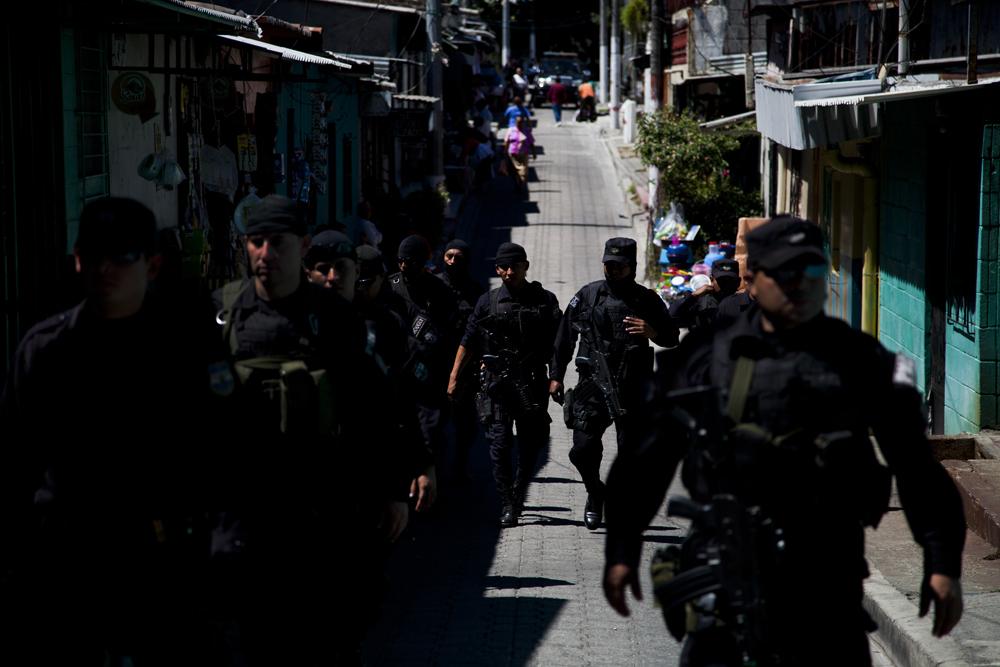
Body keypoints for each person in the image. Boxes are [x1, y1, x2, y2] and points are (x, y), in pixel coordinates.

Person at [603, 216, 966, 666]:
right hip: (726, 575)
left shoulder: (861, 359)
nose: (800, 285)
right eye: (786, 273)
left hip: (827, 574)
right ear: (751, 279)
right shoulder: (707, 357)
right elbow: (646, 457)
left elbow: (915, 466)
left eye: (812, 273)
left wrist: (942, 560)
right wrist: (622, 547)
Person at [0, 197, 229, 665]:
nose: (105, 269)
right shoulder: (46, 351)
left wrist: (226, 544)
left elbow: (228, 445)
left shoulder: (186, 344)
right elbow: (12, 464)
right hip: (70, 565)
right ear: (78, 259)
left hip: (165, 566)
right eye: (92, 255)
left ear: (153, 263)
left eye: (122, 257)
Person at [211, 194, 413, 665]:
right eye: (256, 243)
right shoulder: (223, 315)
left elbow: (375, 408)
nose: (266, 254)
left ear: (300, 246)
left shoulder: (333, 317)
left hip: (320, 509)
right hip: (244, 512)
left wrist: (392, 488)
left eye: (277, 243)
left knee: (330, 636)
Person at [550, 238, 679, 530]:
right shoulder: (588, 295)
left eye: (619, 266)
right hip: (593, 384)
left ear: (632, 267)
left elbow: (672, 337)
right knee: (581, 449)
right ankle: (596, 493)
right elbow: (564, 338)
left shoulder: (647, 299)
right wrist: (556, 375)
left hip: (634, 386)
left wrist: (652, 330)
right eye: (609, 264)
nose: (613, 270)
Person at [447, 242, 561, 527]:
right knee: (498, 445)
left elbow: (560, 343)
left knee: (529, 444)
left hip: (532, 384)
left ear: (526, 266)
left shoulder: (545, 301)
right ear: (497, 269)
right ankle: (508, 504)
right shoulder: (488, 301)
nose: (509, 272)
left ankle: (519, 492)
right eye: (503, 268)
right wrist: (454, 377)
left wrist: (556, 376)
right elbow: (469, 340)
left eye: (514, 266)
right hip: (497, 384)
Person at [387, 234, 461, 462]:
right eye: (401, 261)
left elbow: (451, 332)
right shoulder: (391, 287)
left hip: (430, 372)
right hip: (397, 371)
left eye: (409, 261)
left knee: (432, 432)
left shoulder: (439, 290)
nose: (403, 266)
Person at [436, 239, 487, 479]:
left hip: (466, 367)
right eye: (449, 256)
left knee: (465, 423)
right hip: (436, 362)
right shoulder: (434, 285)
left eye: (459, 257)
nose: (453, 261)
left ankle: (460, 463)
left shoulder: (476, 291)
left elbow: (482, 330)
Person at [668, 258, 741, 335]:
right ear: (711, 280)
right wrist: (693, 295)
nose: (726, 285)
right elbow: (671, 318)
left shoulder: (747, 303)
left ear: (738, 282)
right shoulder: (701, 303)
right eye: (721, 281)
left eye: (730, 281)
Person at [505, 115, 536, 193]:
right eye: (518, 122)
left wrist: (534, 153)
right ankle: (517, 183)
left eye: (521, 122)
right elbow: (506, 142)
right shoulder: (511, 130)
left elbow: (531, 143)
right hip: (513, 153)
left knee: (523, 171)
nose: (520, 124)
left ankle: (520, 183)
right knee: (514, 170)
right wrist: (505, 152)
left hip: (524, 153)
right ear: (515, 122)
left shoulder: (527, 131)